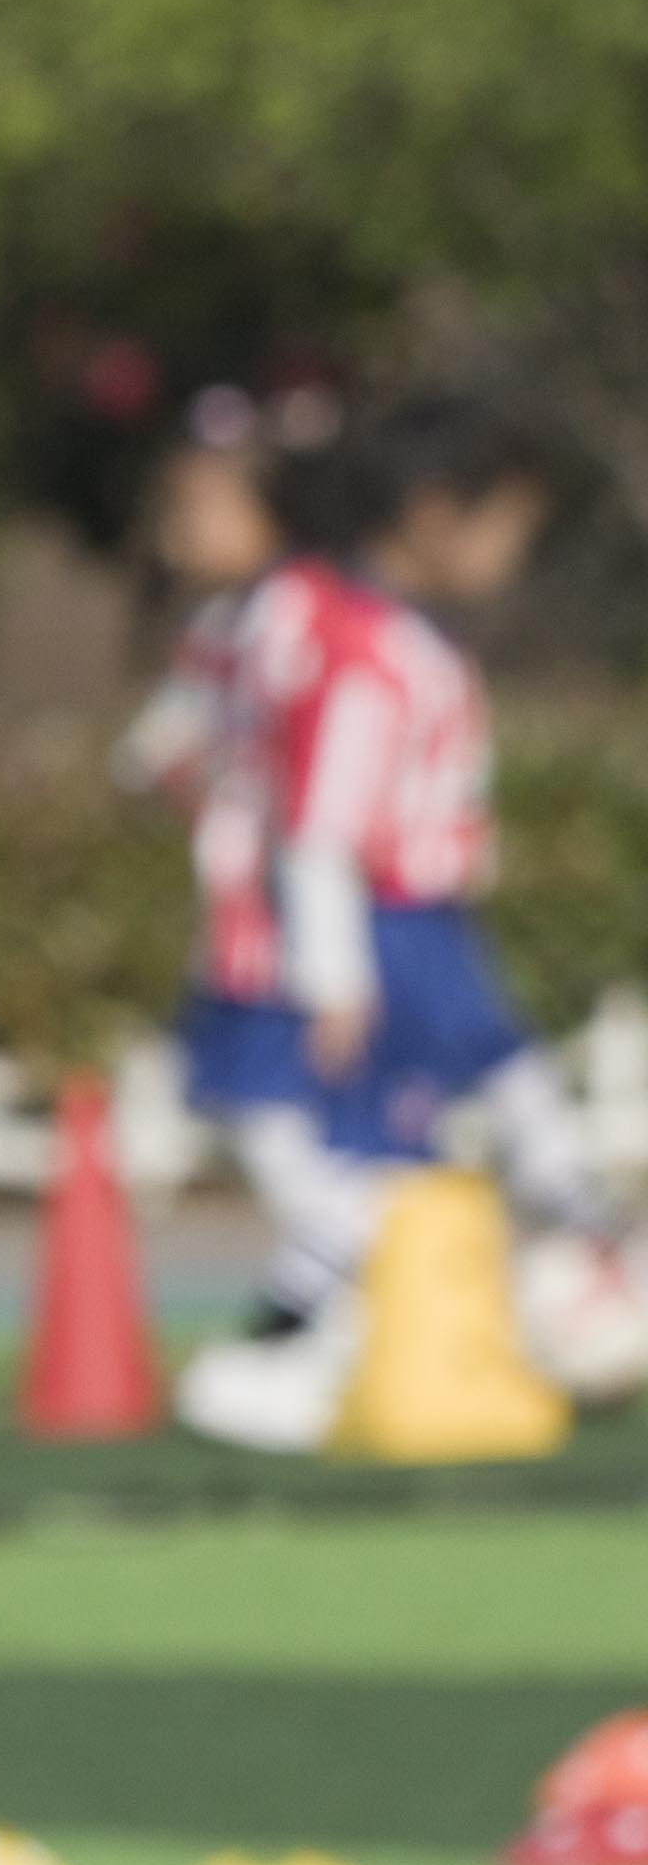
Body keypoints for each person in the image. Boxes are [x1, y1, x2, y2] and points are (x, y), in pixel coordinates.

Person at [172, 394, 643, 1445]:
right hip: (390, 933)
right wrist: (336, 977)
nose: (515, 553)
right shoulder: (361, 649)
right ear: (437, 516)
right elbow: (323, 830)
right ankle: (270, 1346)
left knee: (497, 1102)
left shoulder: (402, 639)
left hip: (428, 920)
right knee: (386, 1159)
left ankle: (594, 1265)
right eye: (508, 526)